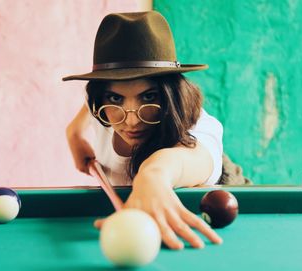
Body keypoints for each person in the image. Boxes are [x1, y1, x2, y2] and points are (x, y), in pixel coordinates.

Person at [63, 11, 223, 250]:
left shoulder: (197, 124)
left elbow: (190, 157)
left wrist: (152, 175)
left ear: (171, 94)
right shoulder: (100, 105)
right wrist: (74, 135)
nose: (131, 120)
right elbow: (86, 107)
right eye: (116, 97)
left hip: (218, 199)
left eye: (148, 96)